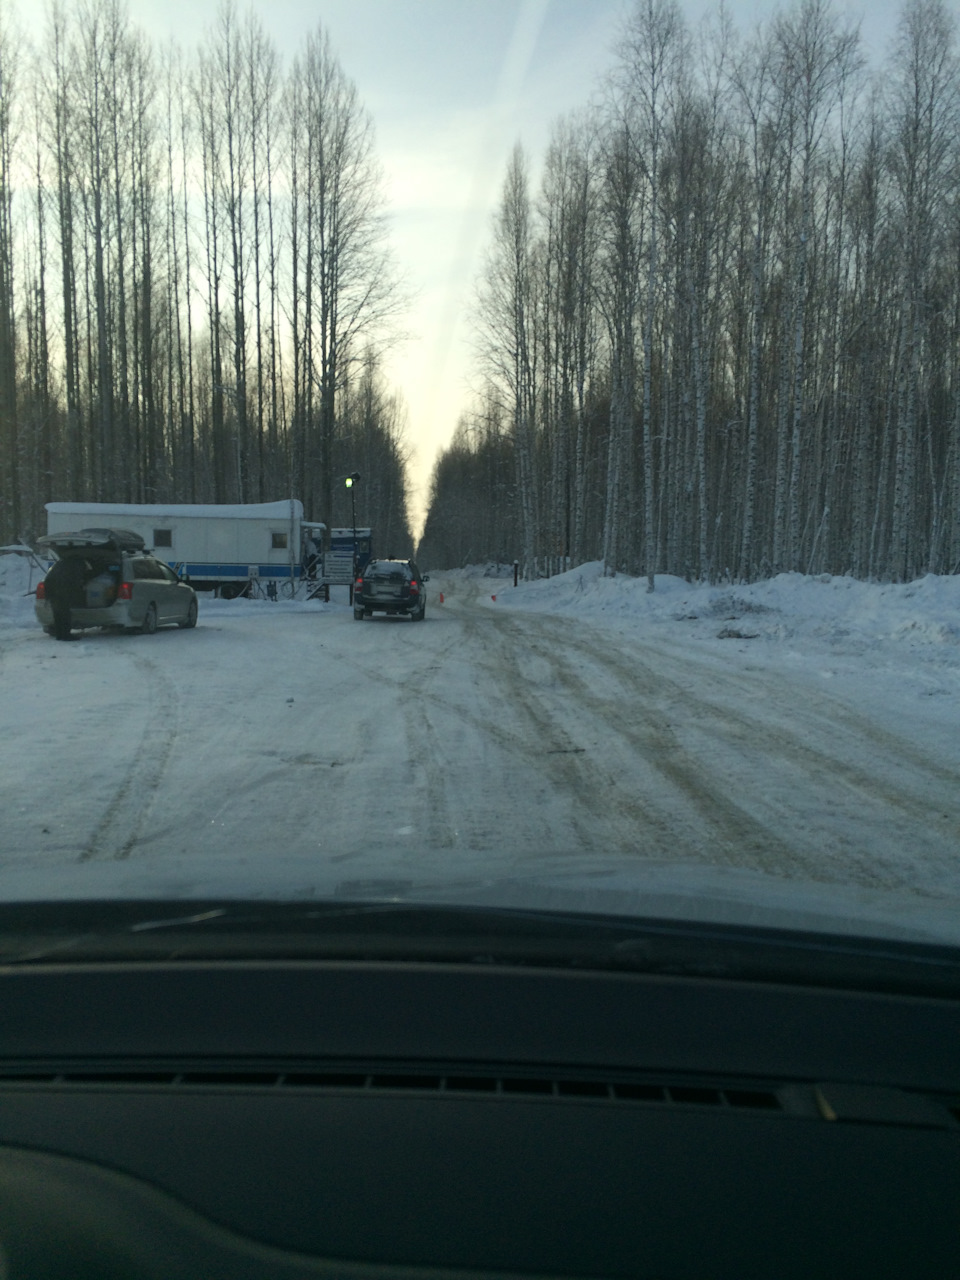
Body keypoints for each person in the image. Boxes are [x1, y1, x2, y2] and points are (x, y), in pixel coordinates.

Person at [44, 556, 89, 641]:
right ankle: (66, 635)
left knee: (57, 614)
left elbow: (47, 580)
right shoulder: (78, 566)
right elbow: (77, 581)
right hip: (63, 593)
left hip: (53, 592)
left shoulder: (58, 565)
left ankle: (59, 634)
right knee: (65, 614)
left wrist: (47, 596)